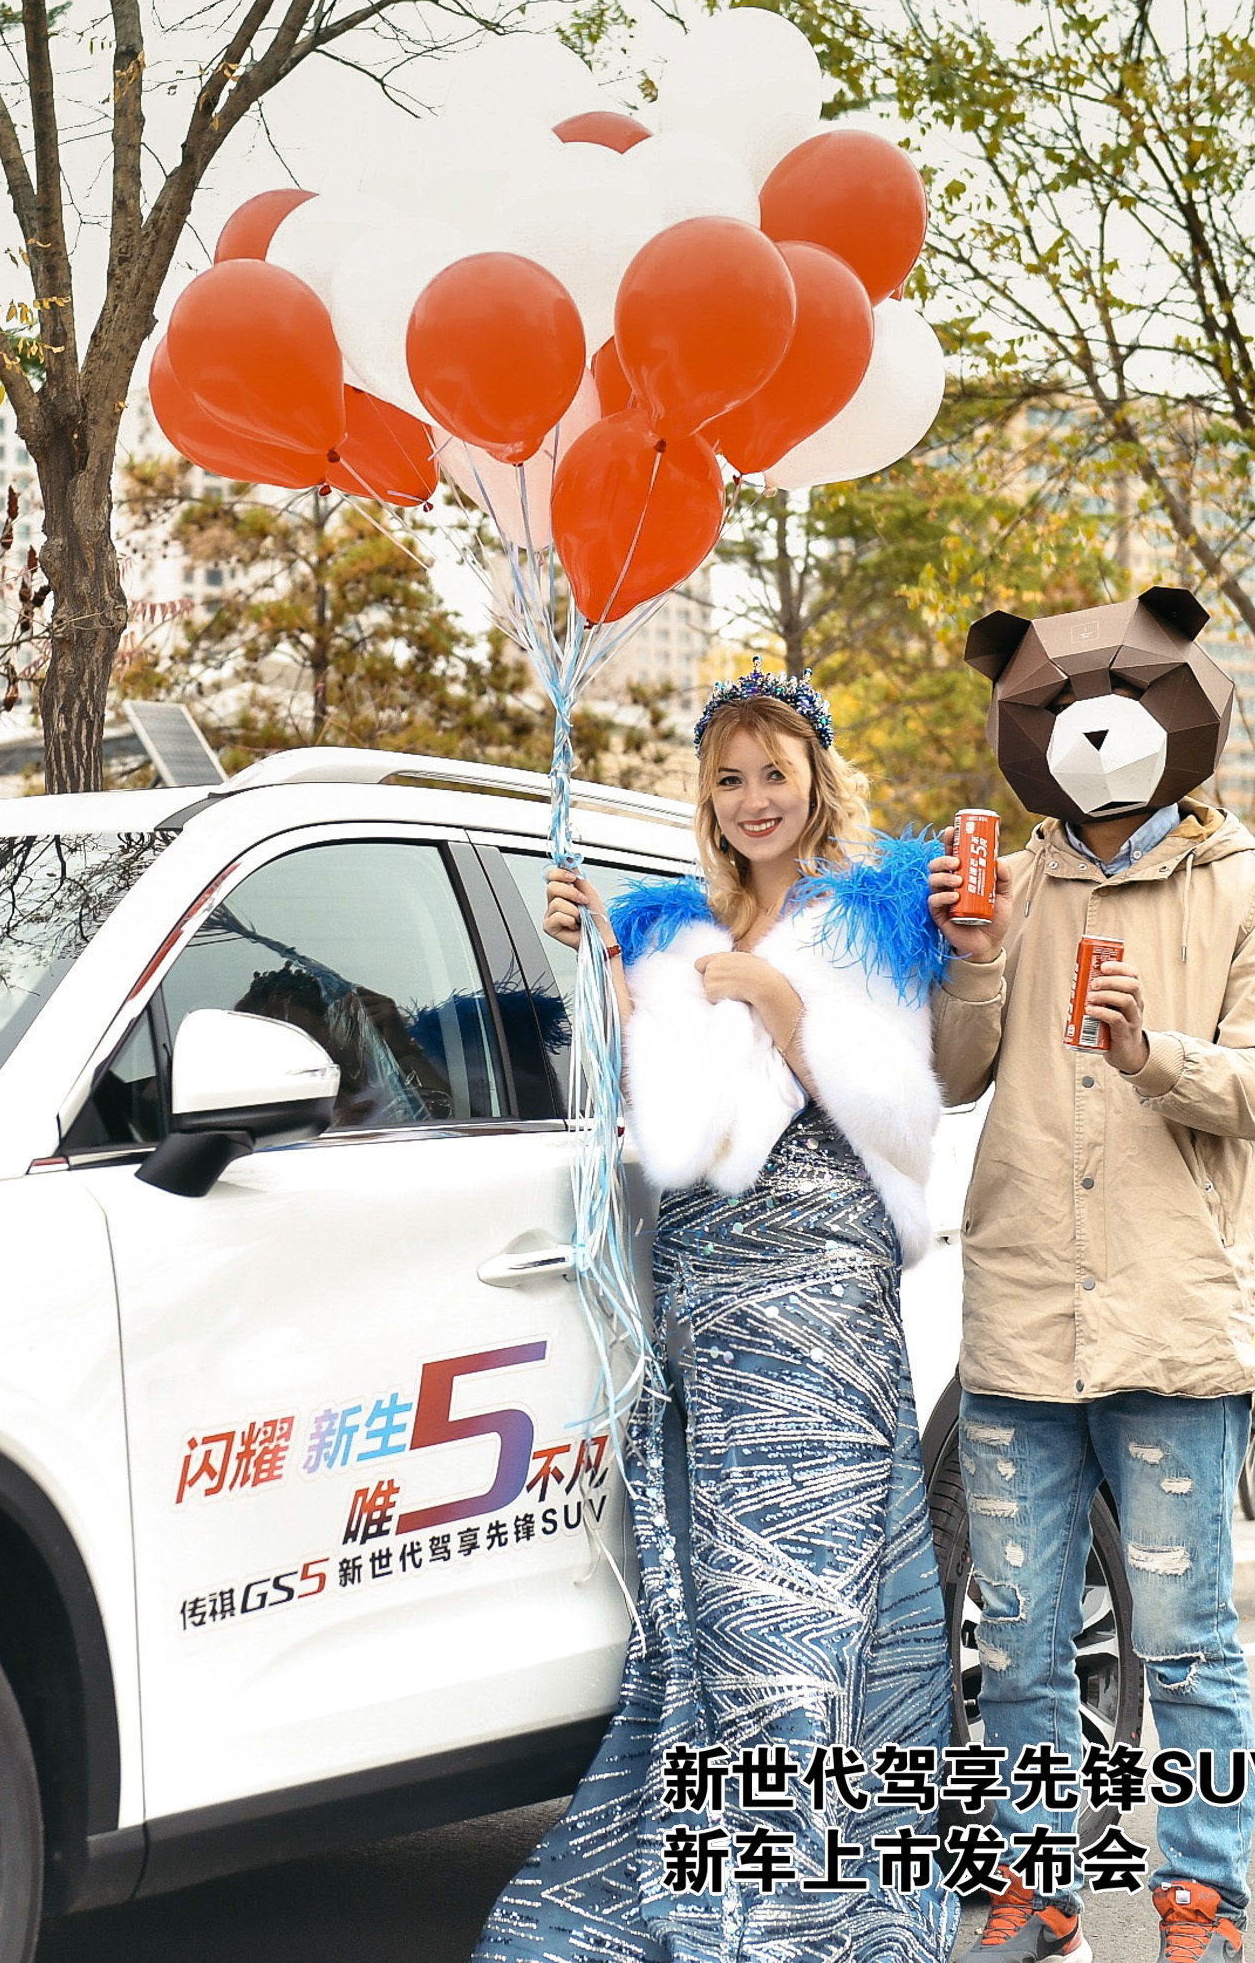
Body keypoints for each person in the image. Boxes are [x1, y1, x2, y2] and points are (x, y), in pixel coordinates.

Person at [475, 670, 957, 1963]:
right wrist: (606, 967)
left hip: (825, 1283)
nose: (754, 800)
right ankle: (748, 1887)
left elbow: (911, 1123)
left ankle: (817, 1910)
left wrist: (789, 1013)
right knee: (735, 1609)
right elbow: (656, 1124)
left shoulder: (876, 918)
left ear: (816, 781)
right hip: (707, 1287)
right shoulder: (673, 928)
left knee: (816, 1606)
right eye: (729, 779)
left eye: (774, 774)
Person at [925, 591, 1255, 1963]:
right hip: (1021, 1324)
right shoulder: (1008, 885)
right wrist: (973, 964)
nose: (1095, 729)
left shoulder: (1252, 891)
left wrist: (1155, 1057)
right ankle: (1035, 1894)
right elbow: (952, 1073)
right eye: (1062, 706)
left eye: (1127, 699)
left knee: (1187, 1640)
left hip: (1169, 1327)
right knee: (1018, 1643)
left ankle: (1203, 1903)